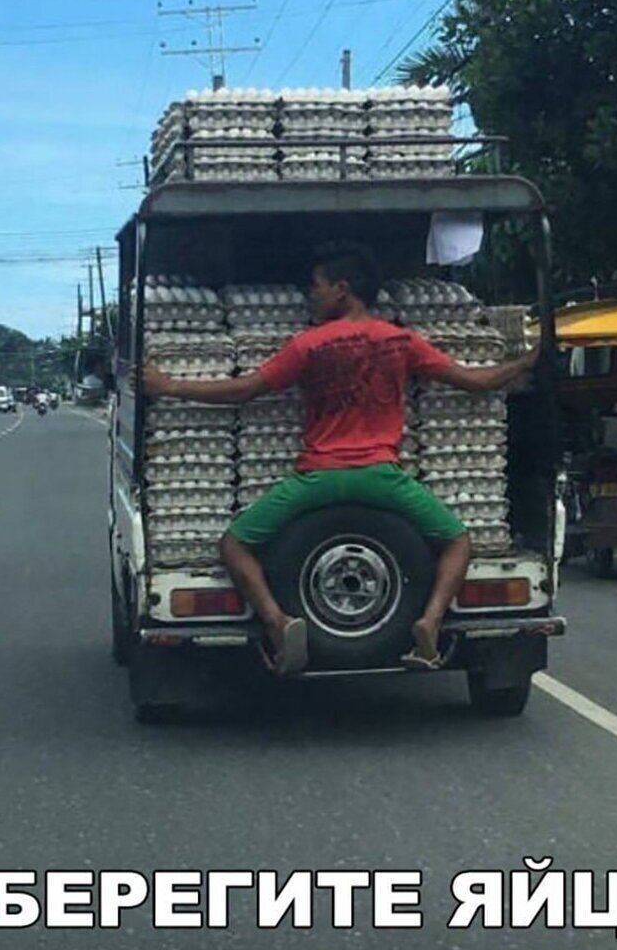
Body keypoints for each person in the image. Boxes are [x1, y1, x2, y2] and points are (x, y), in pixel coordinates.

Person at [141, 243, 538, 675]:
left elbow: (245, 390)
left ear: (342, 290)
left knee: (235, 544)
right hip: (383, 478)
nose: (310, 295)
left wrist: (170, 386)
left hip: (320, 477)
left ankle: (279, 623)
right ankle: (429, 622)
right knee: (458, 540)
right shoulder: (400, 341)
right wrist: (528, 360)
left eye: (317, 286)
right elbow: (475, 381)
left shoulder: (308, 345)